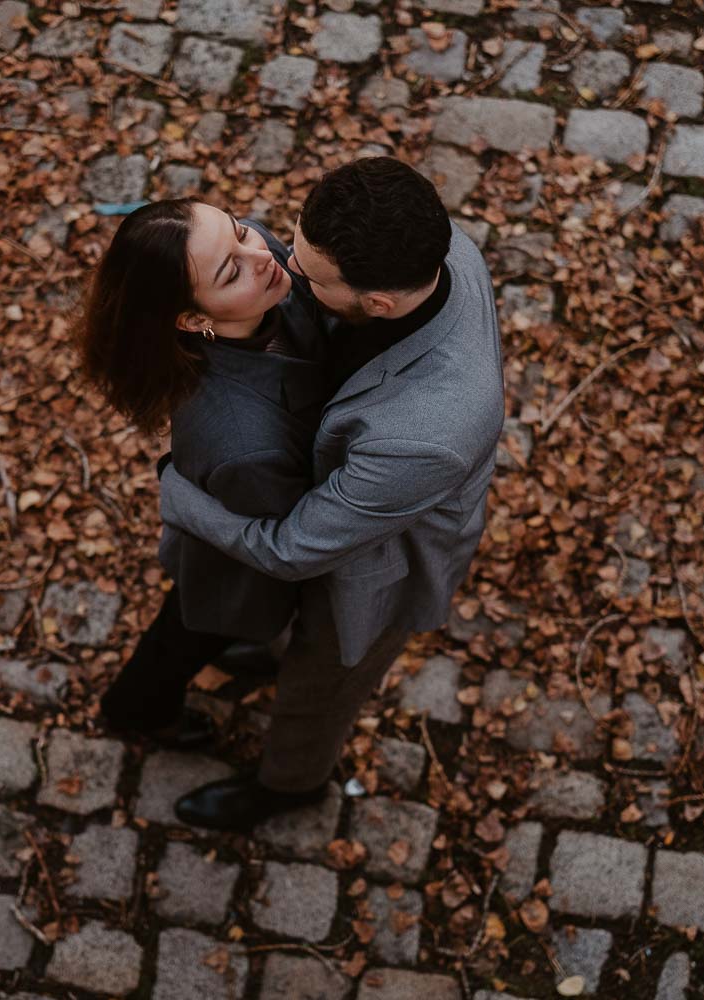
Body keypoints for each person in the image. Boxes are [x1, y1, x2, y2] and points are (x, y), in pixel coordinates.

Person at [158, 157, 506, 831]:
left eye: (309, 279)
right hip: (348, 486)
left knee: (322, 682)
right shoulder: (428, 243)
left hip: (378, 564)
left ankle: (290, 783)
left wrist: (181, 495)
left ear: (375, 304)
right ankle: (266, 649)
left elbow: (294, 550)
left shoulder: (425, 433)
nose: (286, 275)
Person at [79, 197, 328, 749]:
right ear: (194, 319)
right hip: (235, 569)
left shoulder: (258, 263)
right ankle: (136, 712)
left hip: (231, 528)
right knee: (190, 635)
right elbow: (288, 530)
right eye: (230, 269)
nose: (259, 253)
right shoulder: (244, 443)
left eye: (239, 230)